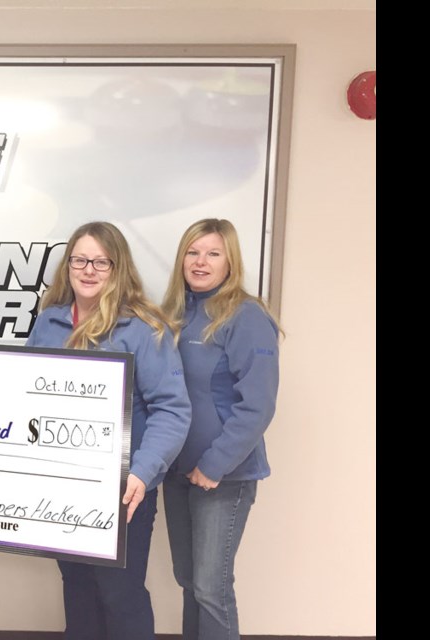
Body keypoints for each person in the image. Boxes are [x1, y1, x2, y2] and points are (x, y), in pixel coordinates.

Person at [25, 221, 190, 640]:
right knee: (77, 586)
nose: (89, 269)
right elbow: (24, 392)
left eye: (101, 261)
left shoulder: (143, 329)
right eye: (80, 259)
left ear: (119, 269)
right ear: (68, 266)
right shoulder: (48, 323)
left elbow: (172, 410)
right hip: (61, 485)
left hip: (123, 488)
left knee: (119, 594)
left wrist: (142, 473)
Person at [160, 218, 281, 640]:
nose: (200, 261)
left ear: (230, 261)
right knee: (189, 581)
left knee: (212, 588)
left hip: (223, 477)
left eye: (213, 253)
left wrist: (213, 466)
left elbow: (258, 406)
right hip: (177, 472)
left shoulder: (246, 315)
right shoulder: (175, 313)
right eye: (193, 252)